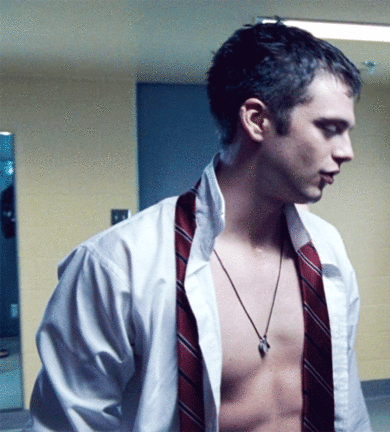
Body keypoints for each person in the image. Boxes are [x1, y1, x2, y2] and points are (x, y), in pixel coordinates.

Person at [26, 21, 372, 431]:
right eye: (329, 129)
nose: (347, 151)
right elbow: (67, 423)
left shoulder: (326, 251)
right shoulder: (119, 265)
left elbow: (348, 408)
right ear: (257, 120)